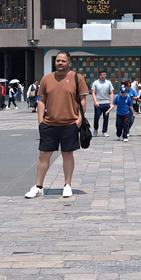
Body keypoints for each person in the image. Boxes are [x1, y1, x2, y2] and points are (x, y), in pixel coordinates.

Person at [25, 51, 88, 199]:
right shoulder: (47, 79)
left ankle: (67, 185)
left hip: (70, 123)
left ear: (69, 63)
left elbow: (83, 101)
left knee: (67, 153)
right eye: (58, 61)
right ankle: (39, 186)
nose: (60, 63)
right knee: (43, 154)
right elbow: (41, 100)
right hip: (49, 123)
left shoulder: (77, 78)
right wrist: (40, 121)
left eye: (63, 61)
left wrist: (79, 120)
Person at [91, 70, 114, 136]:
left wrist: (111, 103)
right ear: (99, 75)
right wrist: (95, 102)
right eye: (101, 75)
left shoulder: (108, 82)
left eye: (104, 75)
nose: (103, 76)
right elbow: (93, 93)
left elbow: (111, 92)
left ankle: (104, 131)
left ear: (106, 75)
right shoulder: (96, 83)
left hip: (106, 102)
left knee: (106, 118)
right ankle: (95, 130)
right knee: (96, 117)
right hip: (98, 103)